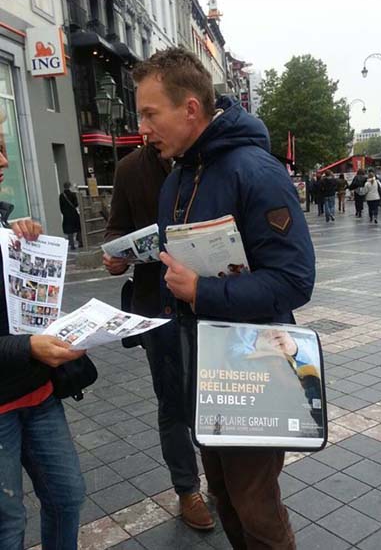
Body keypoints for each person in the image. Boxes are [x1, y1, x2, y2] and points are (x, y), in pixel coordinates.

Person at [133, 47, 315, 549]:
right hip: (202, 363)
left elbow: (295, 279)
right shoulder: (176, 178)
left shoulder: (256, 171)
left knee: (256, 506)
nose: (143, 128)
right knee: (226, 497)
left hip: (256, 364)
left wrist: (203, 290)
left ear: (190, 109)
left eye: (150, 113)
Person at [103, 144, 214, 530]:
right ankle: (187, 489)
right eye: (141, 115)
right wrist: (115, 256)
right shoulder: (130, 168)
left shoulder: (211, 162)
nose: (145, 128)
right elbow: (116, 226)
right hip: (156, 307)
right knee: (171, 401)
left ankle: (220, 479)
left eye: (152, 115)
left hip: (209, 303)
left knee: (211, 395)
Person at [0, 146, 85, 549]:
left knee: (67, 497)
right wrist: (29, 348)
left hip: (38, 394)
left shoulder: (5, 229)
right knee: (7, 525)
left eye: (2, 149)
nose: (3, 161)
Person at [59, 182, 82, 250]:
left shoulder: (61, 195)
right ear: (69, 186)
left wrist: (64, 213)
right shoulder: (73, 194)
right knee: (78, 228)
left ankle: (72, 245)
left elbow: (61, 207)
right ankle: (80, 242)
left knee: (69, 231)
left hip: (67, 215)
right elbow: (76, 204)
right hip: (74, 214)